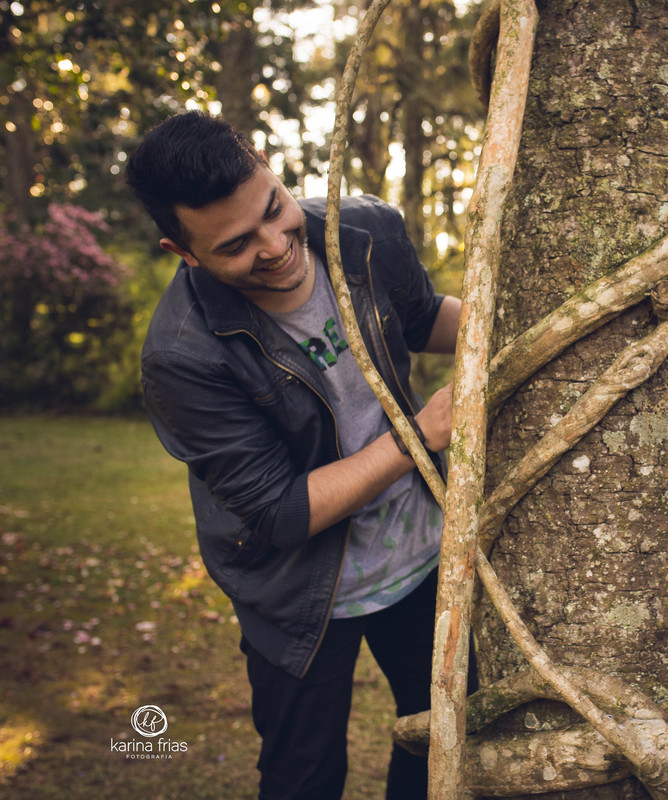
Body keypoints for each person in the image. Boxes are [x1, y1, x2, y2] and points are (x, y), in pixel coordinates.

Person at [127, 110, 464, 799]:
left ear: (272, 173)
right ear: (183, 252)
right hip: (298, 593)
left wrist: (541, 323)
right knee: (303, 777)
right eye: (237, 244)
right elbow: (280, 512)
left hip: (422, 553)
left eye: (274, 209)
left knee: (443, 742)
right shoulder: (181, 356)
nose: (278, 244)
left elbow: (424, 316)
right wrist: (419, 436)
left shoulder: (365, 231)